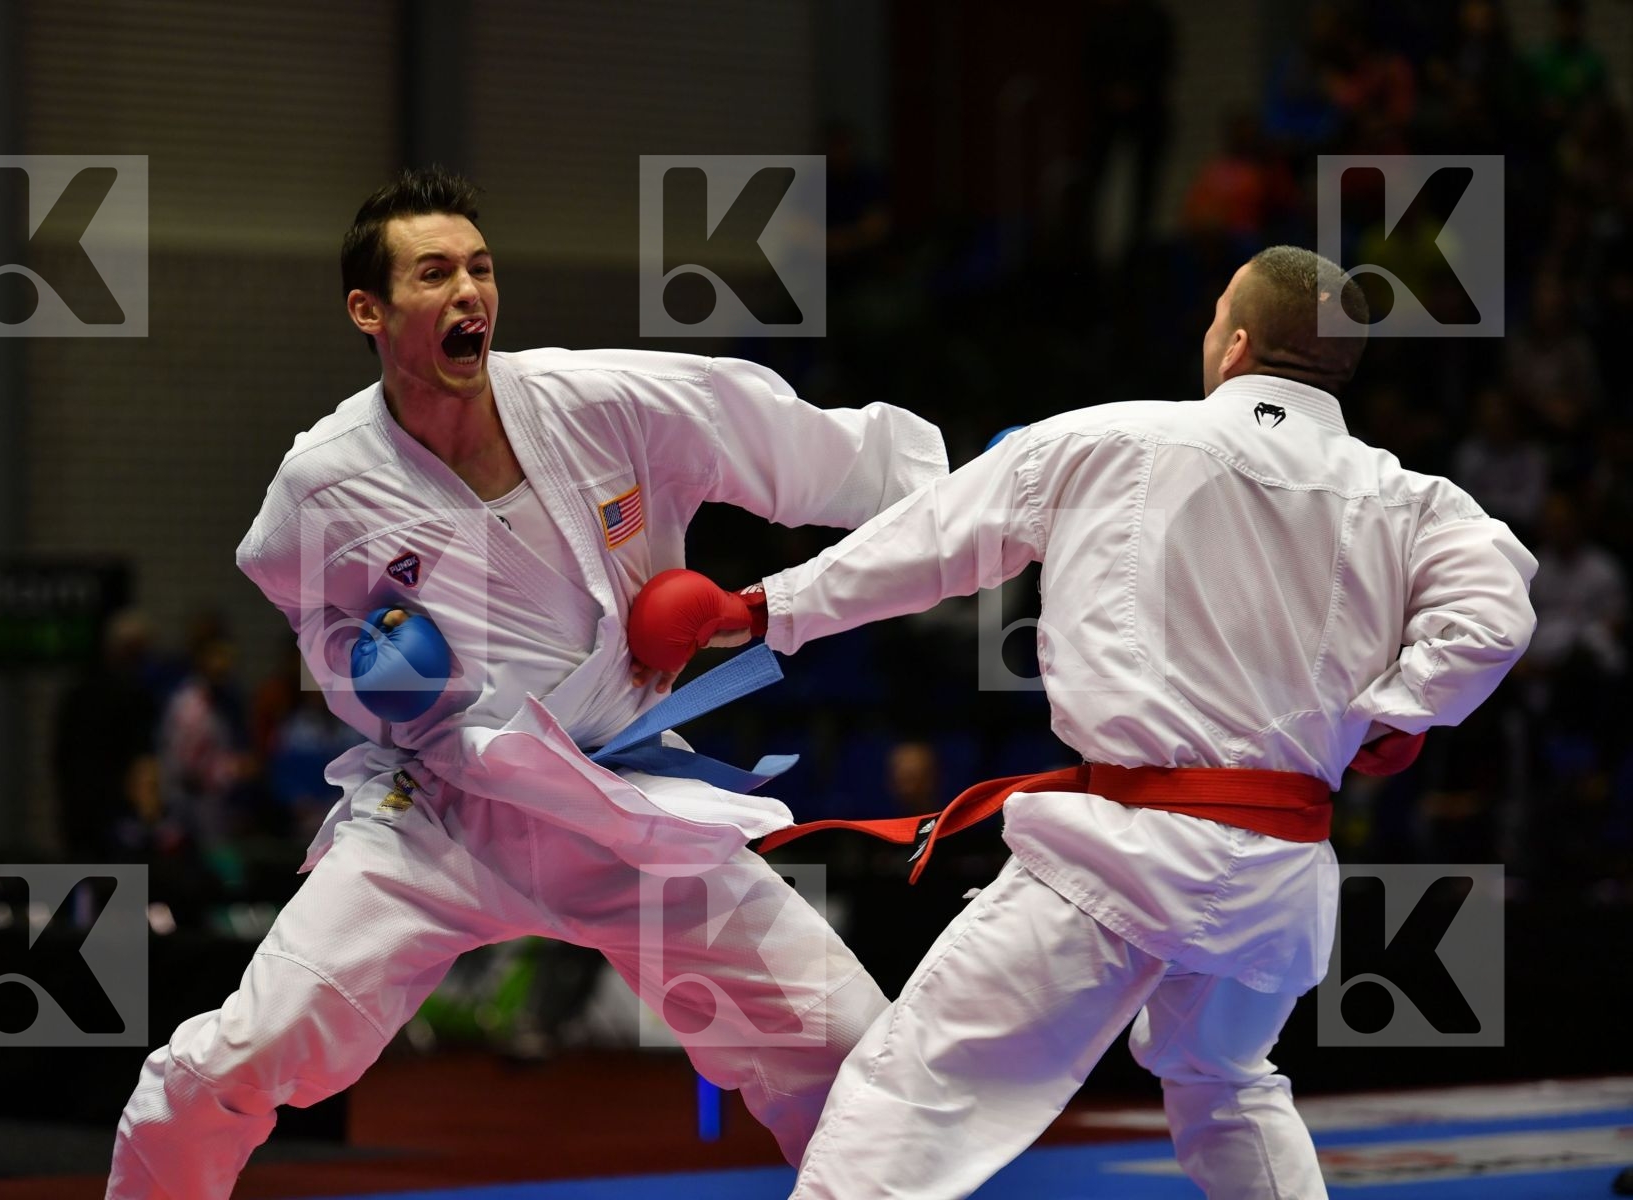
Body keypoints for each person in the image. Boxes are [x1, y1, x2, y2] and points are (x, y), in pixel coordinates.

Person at [105, 165, 946, 1197]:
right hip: (442, 815)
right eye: (434, 274)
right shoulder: (322, 483)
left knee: (853, 1058)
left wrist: (977, 494)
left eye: (481, 267)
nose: (469, 291)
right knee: (226, 1066)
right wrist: (371, 686)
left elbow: (805, 448)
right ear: (368, 310)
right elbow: (312, 616)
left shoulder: (604, 402)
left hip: (626, 799)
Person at [631, 246, 1538, 1198]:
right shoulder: (1413, 500)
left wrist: (760, 609)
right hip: (1279, 875)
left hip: (1128, 855)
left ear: (1235, 344)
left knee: (919, 1089)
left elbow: (931, 541)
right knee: (1224, 1082)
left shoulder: (1112, 438)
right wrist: (1401, 711)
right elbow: (1493, 617)